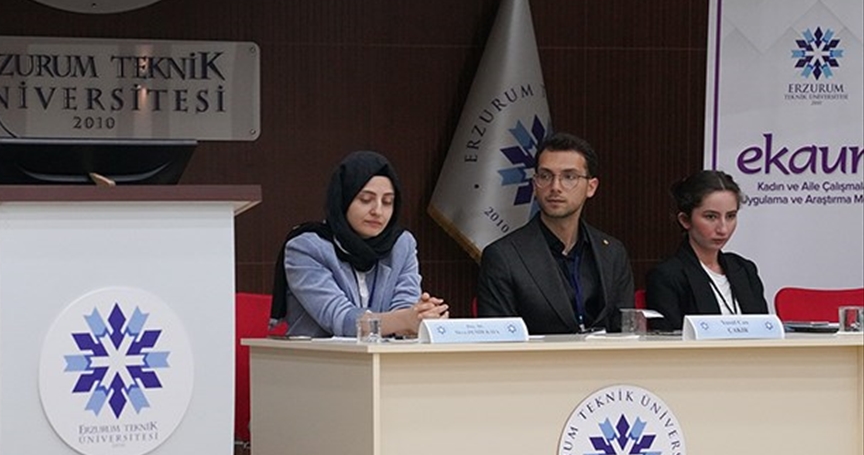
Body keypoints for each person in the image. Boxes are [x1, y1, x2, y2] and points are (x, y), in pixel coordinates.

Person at [270, 150, 448, 338]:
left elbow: (404, 308)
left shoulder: (401, 245)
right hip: (319, 362)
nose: (378, 211)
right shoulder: (306, 247)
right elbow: (340, 320)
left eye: (387, 202)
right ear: (344, 199)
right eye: (366, 200)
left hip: (382, 361)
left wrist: (422, 315)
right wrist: (407, 320)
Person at [476, 132, 634, 334]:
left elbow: (625, 330)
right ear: (535, 185)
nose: (555, 187)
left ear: (591, 187)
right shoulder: (504, 256)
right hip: (536, 364)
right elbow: (499, 341)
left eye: (569, 177)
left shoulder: (612, 252)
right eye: (545, 176)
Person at [646, 170, 768, 330]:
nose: (723, 229)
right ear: (685, 220)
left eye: (731, 216)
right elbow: (668, 341)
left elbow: (765, 330)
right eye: (711, 217)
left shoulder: (745, 269)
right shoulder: (667, 276)